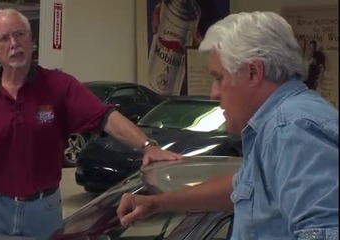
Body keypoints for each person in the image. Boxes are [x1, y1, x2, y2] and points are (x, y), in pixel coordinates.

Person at [0, 9, 182, 239]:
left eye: (20, 34)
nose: (14, 44)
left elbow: (105, 117)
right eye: (4, 38)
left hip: (43, 211)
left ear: (32, 41)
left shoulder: (59, 86)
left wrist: (147, 146)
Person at [117, 11, 338, 239]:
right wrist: (156, 204)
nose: (213, 93)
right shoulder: (277, 126)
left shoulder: (292, 129)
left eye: (219, 78)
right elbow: (242, 188)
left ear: (253, 72)